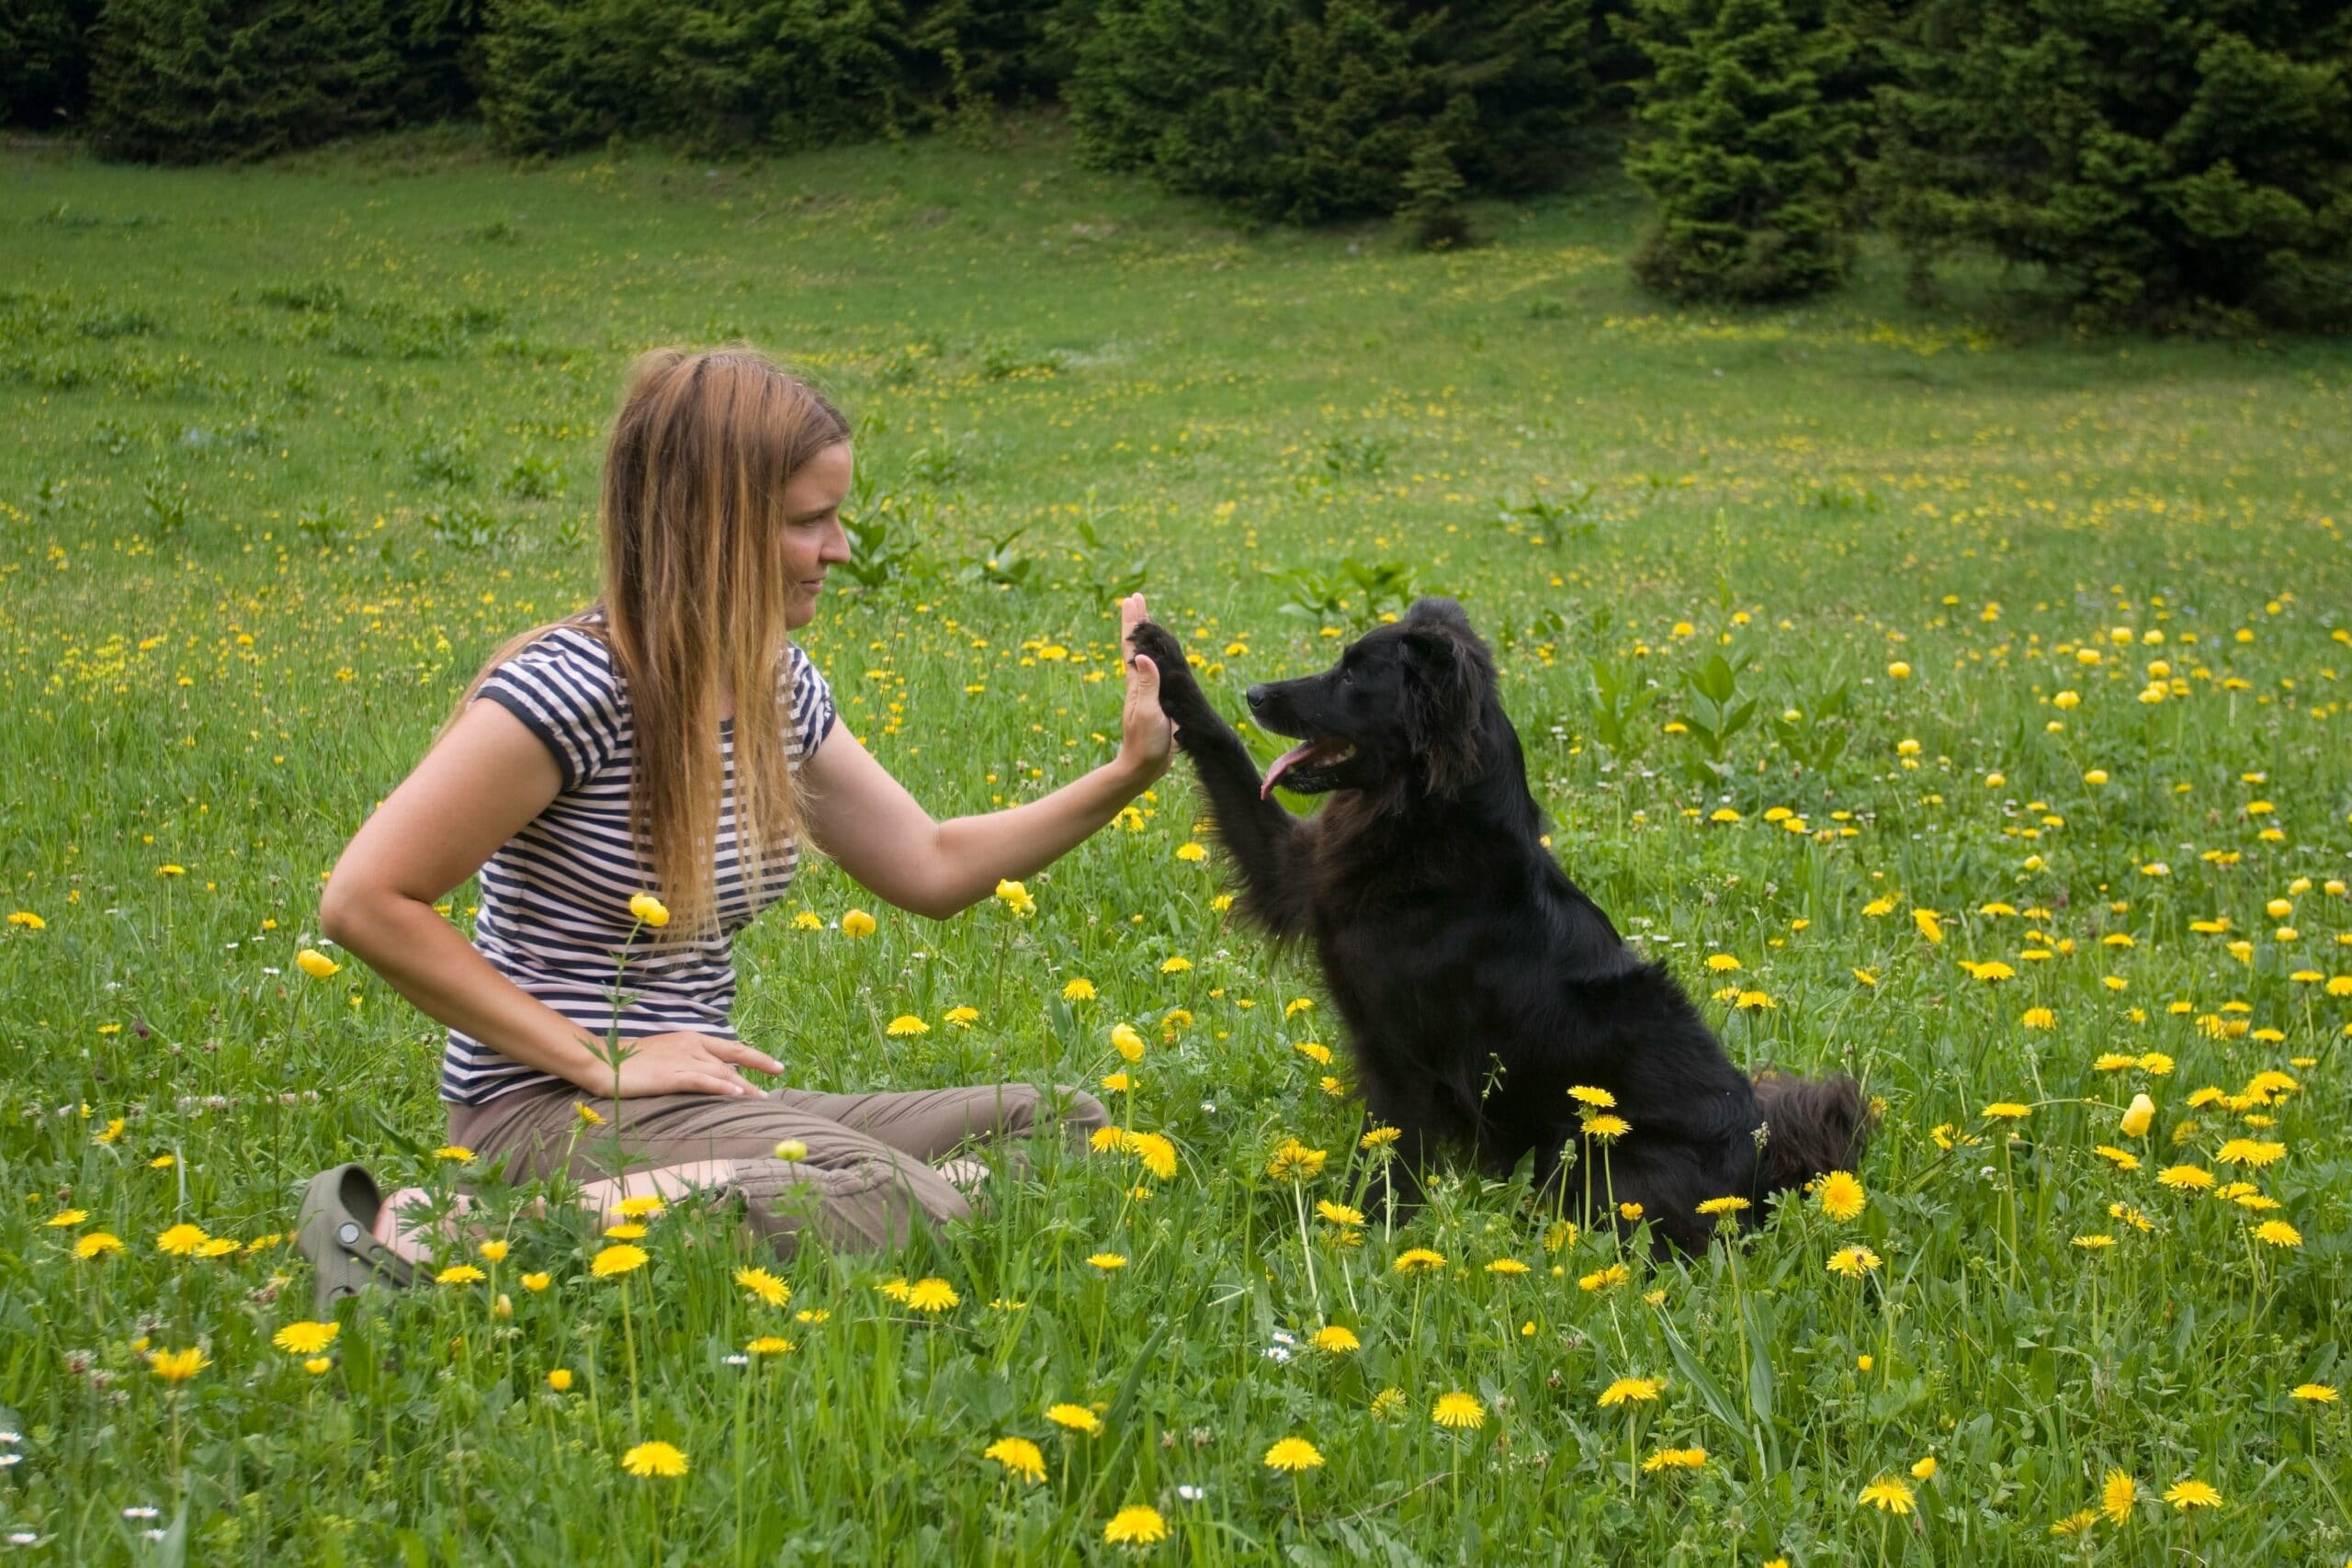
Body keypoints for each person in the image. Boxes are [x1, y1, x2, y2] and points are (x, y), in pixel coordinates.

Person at [295, 346, 1173, 1309]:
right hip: (545, 1112)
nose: (839, 548)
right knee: (882, 1193)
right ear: (705, 526)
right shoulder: (572, 689)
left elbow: (928, 865)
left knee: (1062, 1125)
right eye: (807, 521)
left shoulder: (773, 682)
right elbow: (365, 901)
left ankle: (836, 1200)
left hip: (687, 1110)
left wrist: (1124, 776)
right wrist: (606, 1061)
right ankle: (442, 1231)